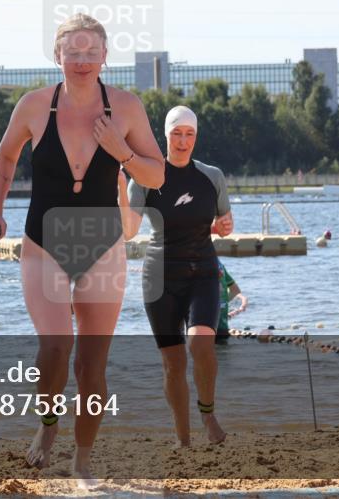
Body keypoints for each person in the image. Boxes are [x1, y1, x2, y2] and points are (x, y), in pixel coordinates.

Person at [0, 13, 164, 487]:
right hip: (45, 243)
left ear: (105, 56)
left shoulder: (126, 107)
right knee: (55, 350)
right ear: (57, 55)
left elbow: (156, 174)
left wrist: (122, 151)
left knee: (91, 366)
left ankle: (82, 462)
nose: (82, 61)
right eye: (73, 52)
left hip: (103, 246)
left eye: (91, 52)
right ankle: (47, 422)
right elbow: (5, 156)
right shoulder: (35, 105)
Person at [122, 106, 234, 447]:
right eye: (176, 134)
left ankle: (208, 413)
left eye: (189, 134)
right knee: (173, 364)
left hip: (203, 273)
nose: (183, 141)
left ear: (196, 137)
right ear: (166, 135)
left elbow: (225, 223)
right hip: (160, 278)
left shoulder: (212, 176)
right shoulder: (146, 178)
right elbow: (128, 231)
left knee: (200, 344)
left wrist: (225, 226)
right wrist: (119, 189)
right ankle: (183, 438)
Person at [215, 260, 246, 345]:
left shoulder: (196, 265)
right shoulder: (220, 265)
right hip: (223, 328)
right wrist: (222, 302)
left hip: (206, 327)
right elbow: (235, 290)